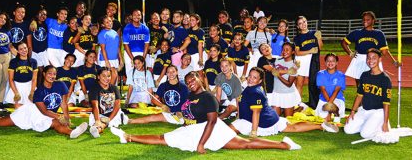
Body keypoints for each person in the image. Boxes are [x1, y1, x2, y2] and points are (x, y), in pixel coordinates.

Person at [109, 71, 302, 154]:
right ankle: (128, 137)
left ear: (200, 81)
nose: (191, 83)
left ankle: (283, 145)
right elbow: (189, 116)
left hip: (212, 131)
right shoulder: (188, 97)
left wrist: (201, 144)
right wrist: (183, 122)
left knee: (246, 145)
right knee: (163, 138)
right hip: (193, 130)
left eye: (193, 80)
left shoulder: (209, 97)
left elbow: (211, 122)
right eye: (188, 81)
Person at [0, 65, 88, 139]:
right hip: (32, 112)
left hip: (49, 115)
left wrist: (66, 117)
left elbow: (64, 103)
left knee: (56, 123)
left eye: (54, 74)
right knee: (3, 123)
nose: (52, 76)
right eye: (50, 73)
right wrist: (59, 116)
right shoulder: (39, 91)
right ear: (44, 74)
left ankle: (71, 132)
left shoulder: (60, 85)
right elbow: (43, 111)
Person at [230, 67, 339, 138]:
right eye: (250, 76)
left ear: (259, 81)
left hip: (261, 122)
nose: (250, 79)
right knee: (292, 128)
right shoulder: (252, 87)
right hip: (269, 117)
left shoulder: (255, 91)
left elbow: (256, 113)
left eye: (254, 78)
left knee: (229, 130)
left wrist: (254, 132)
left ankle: (321, 126)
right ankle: (321, 126)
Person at [342, 11, 400, 87]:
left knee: (375, 84)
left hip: (374, 59)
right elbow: (343, 43)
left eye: (368, 19)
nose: (365, 21)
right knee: (360, 85)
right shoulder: (356, 33)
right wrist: (350, 53)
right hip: (360, 59)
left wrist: (394, 62)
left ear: (373, 20)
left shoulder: (379, 34)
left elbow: (385, 51)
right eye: (363, 20)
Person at [344, 49, 392, 139]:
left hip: (378, 112)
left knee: (364, 134)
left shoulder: (385, 79)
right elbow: (359, 95)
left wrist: (385, 123)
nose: (370, 60)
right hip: (364, 110)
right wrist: (352, 112)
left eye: (374, 58)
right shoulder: (364, 75)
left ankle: (379, 123)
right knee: (348, 130)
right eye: (368, 58)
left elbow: (386, 103)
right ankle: (369, 124)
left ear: (380, 59)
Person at [88, 67, 128, 138]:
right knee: (100, 122)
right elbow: (95, 106)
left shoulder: (114, 88)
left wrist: (109, 119)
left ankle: (97, 129)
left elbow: (117, 106)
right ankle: (97, 128)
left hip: (113, 115)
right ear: (98, 77)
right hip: (98, 115)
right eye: (104, 76)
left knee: (104, 123)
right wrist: (97, 120)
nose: (107, 78)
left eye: (109, 76)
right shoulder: (94, 88)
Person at [293, 16, 323, 108]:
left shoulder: (315, 33)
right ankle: (297, 104)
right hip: (301, 60)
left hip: (313, 60)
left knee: (313, 82)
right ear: (298, 26)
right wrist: (309, 51)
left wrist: (319, 38)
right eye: (300, 23)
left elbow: (320, 47)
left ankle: (314, 104)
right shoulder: (297, 38)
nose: (303, 24)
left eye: (304, 22)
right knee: (300, 83)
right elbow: (297, 52)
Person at [270, 42, 301, 117]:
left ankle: (296, 109)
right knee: (275, 119)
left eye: (287, 50)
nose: (284, 52)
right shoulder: (278, 60)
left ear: (293, 52)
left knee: (288, 119)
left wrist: (278, 75)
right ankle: (295, 109)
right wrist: (286, 71)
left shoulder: (294, 65)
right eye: (283, 49)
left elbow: (289, 84)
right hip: (276, 93)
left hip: (288, 94)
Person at [4, 42, 38, 109]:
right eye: (21, 49)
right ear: (18, 51)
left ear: (27, 49)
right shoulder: (14, 62)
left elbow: (34, 79)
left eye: (25, 48)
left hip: (29, 86)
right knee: (18, 109)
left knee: (34, 108)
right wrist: (16, 93)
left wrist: (32, 92)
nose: (24, 50)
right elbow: (11, 79)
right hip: (17, 86)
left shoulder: (33, 61)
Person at [315, 53, 346, 123]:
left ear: (336, 62)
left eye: (333, 61)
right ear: (325, 62)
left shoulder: (341, 75)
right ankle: (331, 112)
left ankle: (336, 113)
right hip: (324, 98)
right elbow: (323, 90)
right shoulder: (320, 74)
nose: (330, 63)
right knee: (324, 120)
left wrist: (330, 104)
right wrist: (329, 105)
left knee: (334, 120)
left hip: (337, 98)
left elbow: (336, 90)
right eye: (328, 61)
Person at [122, 9, 150, 77]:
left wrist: (143, 59)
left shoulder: (145, 28)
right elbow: (126, 44)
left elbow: (147, 45)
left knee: (142, 75)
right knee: (130, 74)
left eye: (138, 15)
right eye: (134, 15)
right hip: (129, 53)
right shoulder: (127, 28)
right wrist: (132, 59)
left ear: (141, 16)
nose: (136, 16)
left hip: (142, 53)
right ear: (131, 16)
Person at [98, 15, 122, 85]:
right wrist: (106, 61)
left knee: (114, 78)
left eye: (110, 21)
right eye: (106, 22)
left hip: (114, 59)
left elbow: (117, 47)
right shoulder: (102, 34)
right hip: (105, 59)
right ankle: (108, 92)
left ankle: (110, 93)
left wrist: (121, 59)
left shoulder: (115, 33)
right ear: (103, 25)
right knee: (110, 76)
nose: (109, 23)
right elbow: (103, 49)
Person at [30, 6, 49, 83]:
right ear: (37, 15)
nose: (43, 16)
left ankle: (40, 87)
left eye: (45, 14)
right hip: (34, 51)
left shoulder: (46, 25)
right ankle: (34, 89)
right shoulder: (32, 24)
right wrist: (33, 20)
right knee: (36, 71)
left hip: (43, 51)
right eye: (41, 14)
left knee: (42, 71)